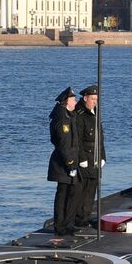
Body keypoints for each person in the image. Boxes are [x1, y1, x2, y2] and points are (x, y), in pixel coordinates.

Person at [47, 86, 81, 235]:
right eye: (73, 99)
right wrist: (70, 165)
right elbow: (64, 144)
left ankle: (67, 223)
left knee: (71, 193)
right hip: (63, 163)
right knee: (63, 194)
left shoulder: (68, 115)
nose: (76, 102)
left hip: (69, 161)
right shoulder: (62, 118)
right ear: (67, 101)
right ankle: (61, 225)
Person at [71, 85, 105, 227]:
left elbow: (100, 136)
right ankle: (79, 217)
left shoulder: (95, 112)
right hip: (86, 156)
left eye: (96, 99)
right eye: (92, 99)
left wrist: (103, 155)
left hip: (96, 156)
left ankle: (86, 215)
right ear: (85, 98)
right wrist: (82, 158)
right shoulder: (80, 114)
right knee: (82, 189)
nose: (94, 102)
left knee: (92, 188)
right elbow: (77, 139)